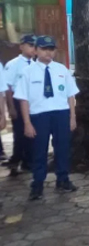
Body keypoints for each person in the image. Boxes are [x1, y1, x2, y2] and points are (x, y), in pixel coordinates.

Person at [14, 36, 78, 201]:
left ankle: (63, 179)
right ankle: (37, 185)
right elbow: (23, 99)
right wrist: (27, 123)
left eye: (51, 49)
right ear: (36, 50)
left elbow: (71, 95)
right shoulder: (27, 72)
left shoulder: (61, 70)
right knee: (39, 150)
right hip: (39, 116)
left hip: (61, 114)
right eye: (44, 49)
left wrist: (72, 117)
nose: (48, 52)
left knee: (62, 148)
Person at [3, 35, 36, 176]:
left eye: (34, 46)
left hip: (32, 102)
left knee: (32, 133)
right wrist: (11, 107)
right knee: (20, 133)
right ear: (21, 46)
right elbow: (8, 87)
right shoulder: (13, 64)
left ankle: (27, 161)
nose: (32, 49)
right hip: (17, 101)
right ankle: (15, 160)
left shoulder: (36, 64)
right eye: (29, 45)